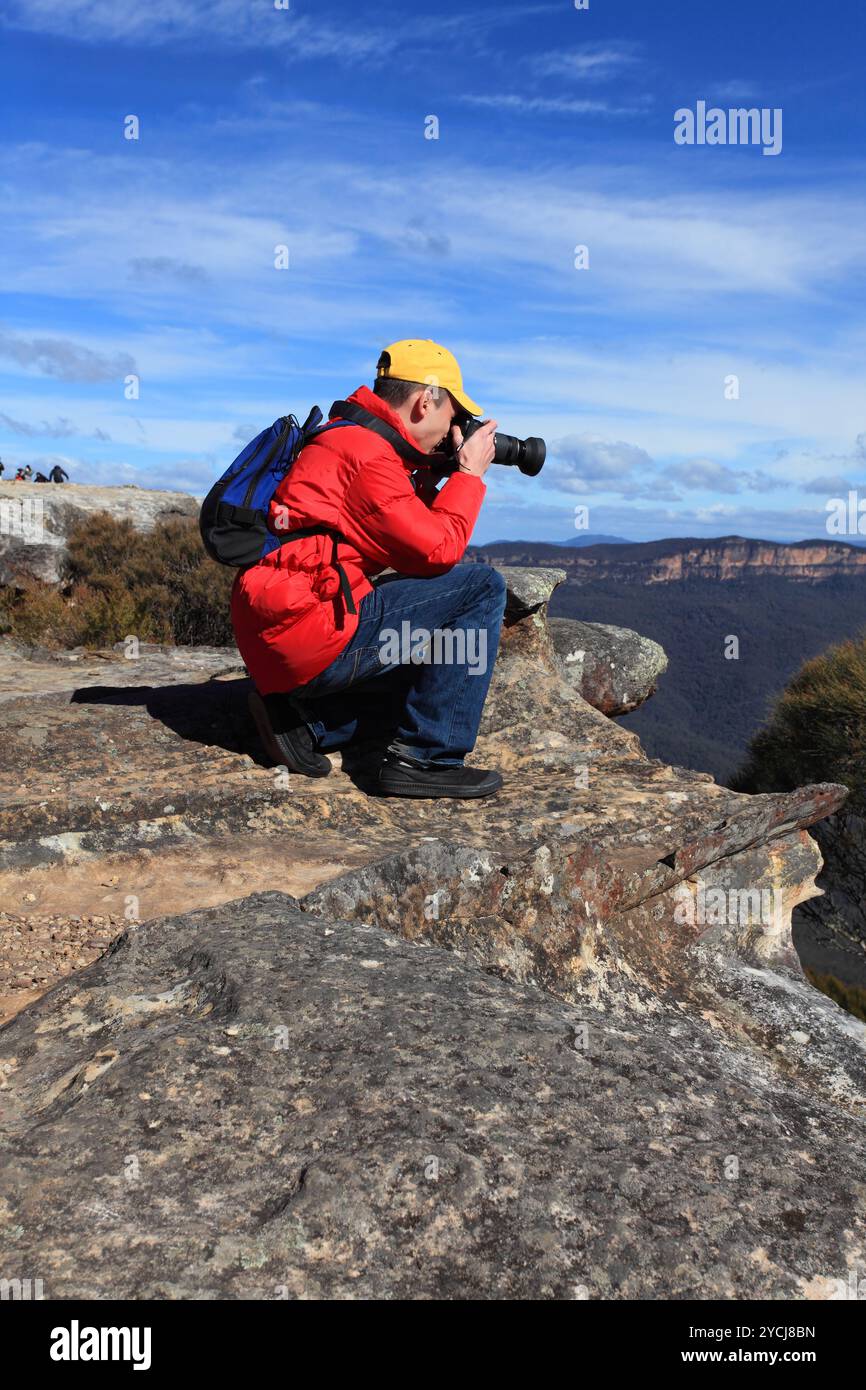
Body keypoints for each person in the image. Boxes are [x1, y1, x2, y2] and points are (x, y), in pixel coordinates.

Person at [231, 338, 508, 799]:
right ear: (425, 402)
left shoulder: (345, 437)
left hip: (276, 628)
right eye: (452, 416)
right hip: (307, 628)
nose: (453, 429)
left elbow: (392, 530)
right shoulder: (368, 456)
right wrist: (468, 477)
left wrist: (432, 473)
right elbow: (438, 550)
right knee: (482, 587)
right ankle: (426, 759)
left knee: (432, 678)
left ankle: (305, 725)